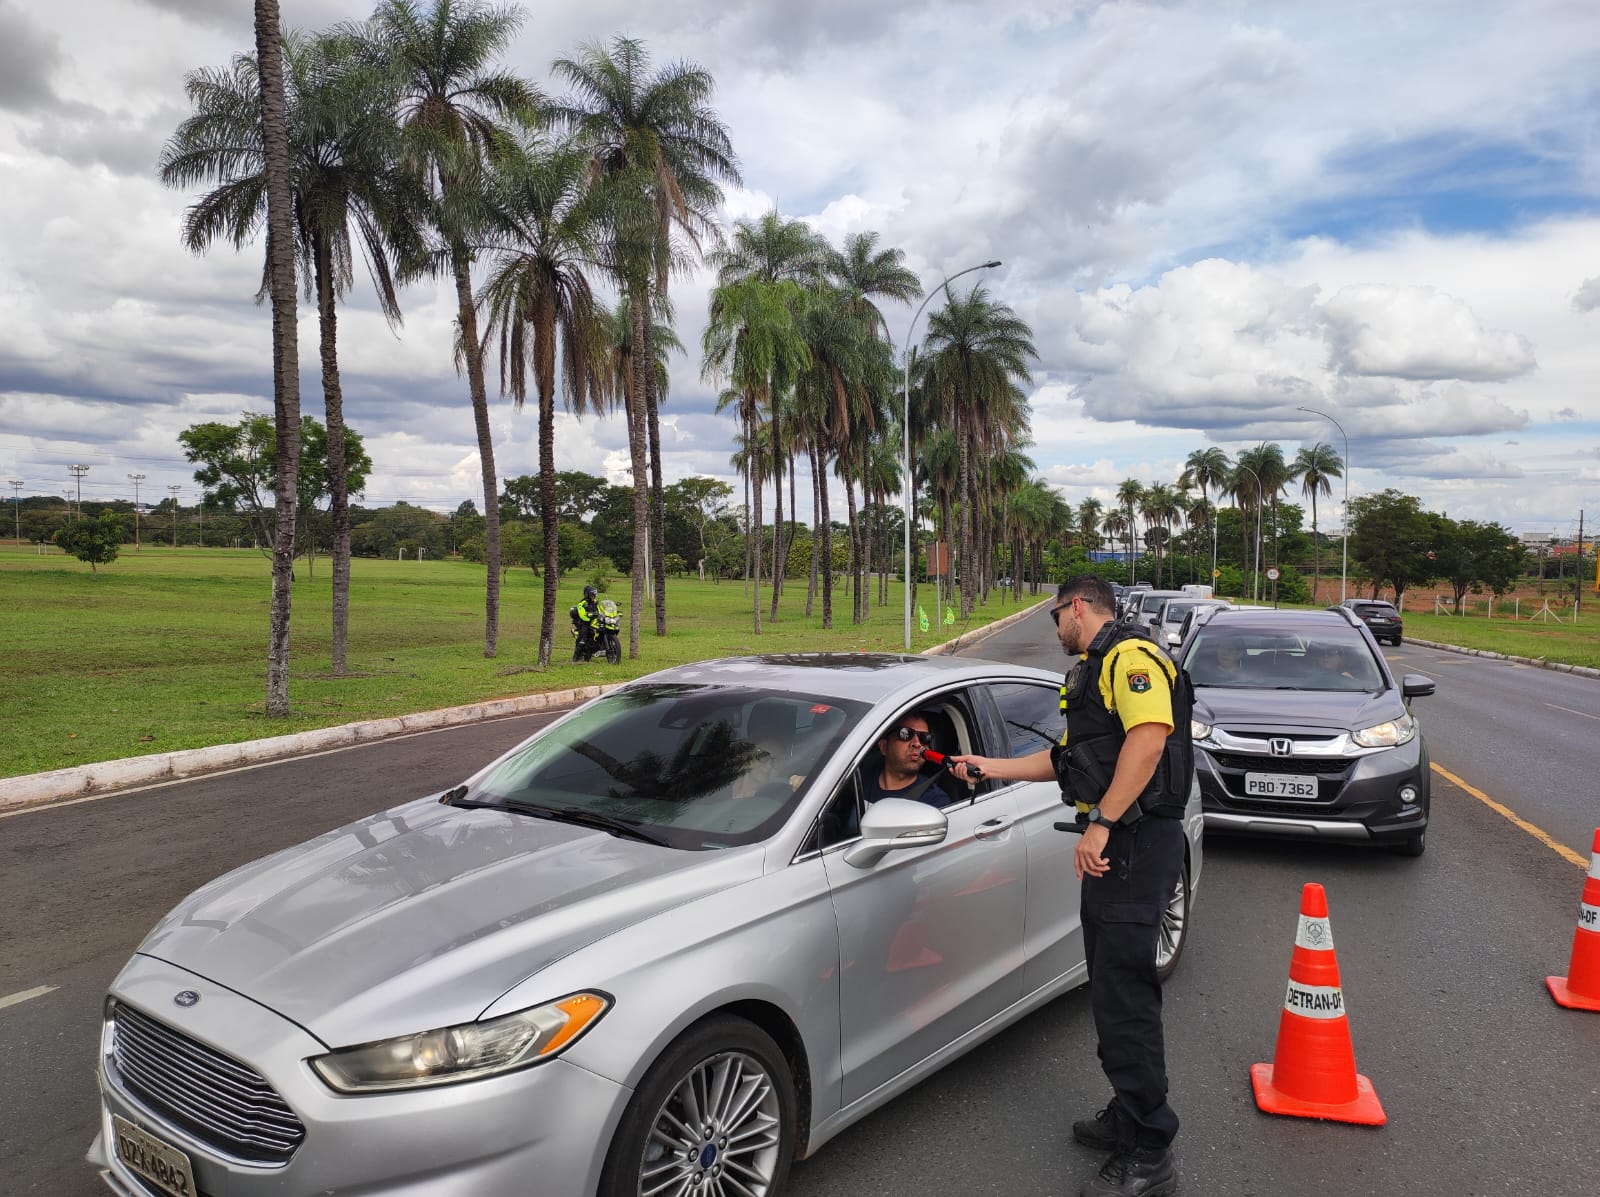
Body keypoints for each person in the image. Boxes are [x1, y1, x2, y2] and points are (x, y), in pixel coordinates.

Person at [951, 576, 1190, 1197]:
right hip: (1120, 845)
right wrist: (988, 767)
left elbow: (1149, 739)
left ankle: (1151, 1148)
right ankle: (1129, 1113)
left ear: (1077, 607)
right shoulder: (1094, 671)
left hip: (1133, 843)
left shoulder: (1130, 657)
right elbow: (1064, 760)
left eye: (1056, 615)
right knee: (1109, 990)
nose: (1055, 627)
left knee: (1125, 995)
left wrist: (1103, 824)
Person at [569, 585, 601, 660]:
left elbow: (599, 610)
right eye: (592, 594)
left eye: (594, 594)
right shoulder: (582, 603)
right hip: (584, 623)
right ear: (587, 594)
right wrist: (589, 618)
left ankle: (588, 656)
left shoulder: (595, 602)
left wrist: (601, 615)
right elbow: (582, 615)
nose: (594, 596)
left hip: (594, 622)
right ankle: (576, 658)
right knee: (583, 640)